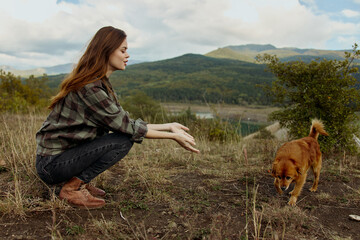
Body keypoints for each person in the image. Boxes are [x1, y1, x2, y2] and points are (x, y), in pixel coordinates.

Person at [35, 26, 199, 209]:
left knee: (123, 135)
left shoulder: (100, 84)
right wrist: (173, 136)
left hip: (60, 159)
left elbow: (124, 121)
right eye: (123, 50)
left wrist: (169, 126)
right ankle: (72, 188)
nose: (127, 55)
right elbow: (129, 129)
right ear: (106, 50)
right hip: (51, 166)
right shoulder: (90, 89)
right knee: (123, 141)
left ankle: (77, 181)